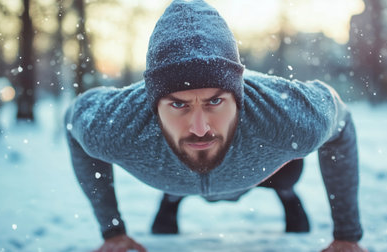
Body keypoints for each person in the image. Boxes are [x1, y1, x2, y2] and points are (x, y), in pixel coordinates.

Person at [64, 0, 366, 251]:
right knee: (184, 163)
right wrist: (112, 230)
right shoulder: (112, 125)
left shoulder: (290, 116)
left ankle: (286, 194)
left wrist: (347, 234)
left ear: (238, 98)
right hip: (171, 175)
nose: (199, 126)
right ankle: (173, 195)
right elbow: (73, 124)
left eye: (215, 102)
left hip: (265, 171)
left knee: (288, 167)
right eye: (178, 104)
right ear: (153, 104)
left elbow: (341, 122)